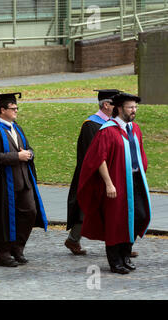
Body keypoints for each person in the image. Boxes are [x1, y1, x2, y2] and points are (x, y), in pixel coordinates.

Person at [77, 92, 151, 274]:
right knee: (116, 221)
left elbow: (140, 154)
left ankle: (125, 255)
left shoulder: (135, 129)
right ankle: (115, 261)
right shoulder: (107, 130)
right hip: (116, 182)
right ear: (119, 108)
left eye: (135, 107)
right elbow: (98, 159)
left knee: (138, 217)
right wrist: (109, 184)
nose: (134, 110)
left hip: (134, 180)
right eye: (130, 107)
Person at [0, 92, 48, 267]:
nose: (16, 110)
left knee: (30, 212)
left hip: (24, 181)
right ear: (2, 110)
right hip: (2, 183)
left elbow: (28, 148)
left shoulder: (18, 128)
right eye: (12, 108)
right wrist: (17, 156)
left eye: (16, 108)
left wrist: (30, 154)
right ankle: (3, 254)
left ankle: (18, 247)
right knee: (4, 219)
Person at [65, 89, 121, 255]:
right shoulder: (91, 124)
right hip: (92, 175)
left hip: (111, 173)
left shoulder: (114, 123)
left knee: (114, 209)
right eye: (115, 104)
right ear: (106, 105)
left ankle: (121, 245)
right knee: (87, 209)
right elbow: (93, 155)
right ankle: (73, 239)